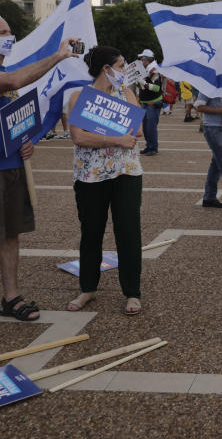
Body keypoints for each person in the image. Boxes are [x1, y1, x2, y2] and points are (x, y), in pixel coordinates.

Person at [0, 11, 80, 335]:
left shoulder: (4, 68)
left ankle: (11, 297)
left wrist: (25, 142)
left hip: (12, 166)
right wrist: (58, 56)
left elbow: (11, 120)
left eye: (9, 30)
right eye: (4, 31)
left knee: (11, 234)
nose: (10, 36)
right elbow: (11, 83)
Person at [66, 46, 145, 316]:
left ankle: (132, 292)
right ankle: (88, 287)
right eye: (121, 66)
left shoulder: (128, 94)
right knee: (91, 232)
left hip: (126, 173)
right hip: (90, 176)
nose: (125, 71)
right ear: (106, 69)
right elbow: (79, 137)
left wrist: (101, 129)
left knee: (128, 233)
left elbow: (137, 131)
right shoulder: (78, 98)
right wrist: (115, 137)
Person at [137, 49, 163, 156]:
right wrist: (140, 84)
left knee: (151, 127)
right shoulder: (148, 69)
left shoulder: (154, 70)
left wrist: (143, 83)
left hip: (153, 103)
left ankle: (153, 147)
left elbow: (156, 88)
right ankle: (149, 146)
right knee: (146, 127)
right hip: (146, 102)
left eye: (142, 59)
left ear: (147, 60)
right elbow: (146, 87)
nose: (141, 61)